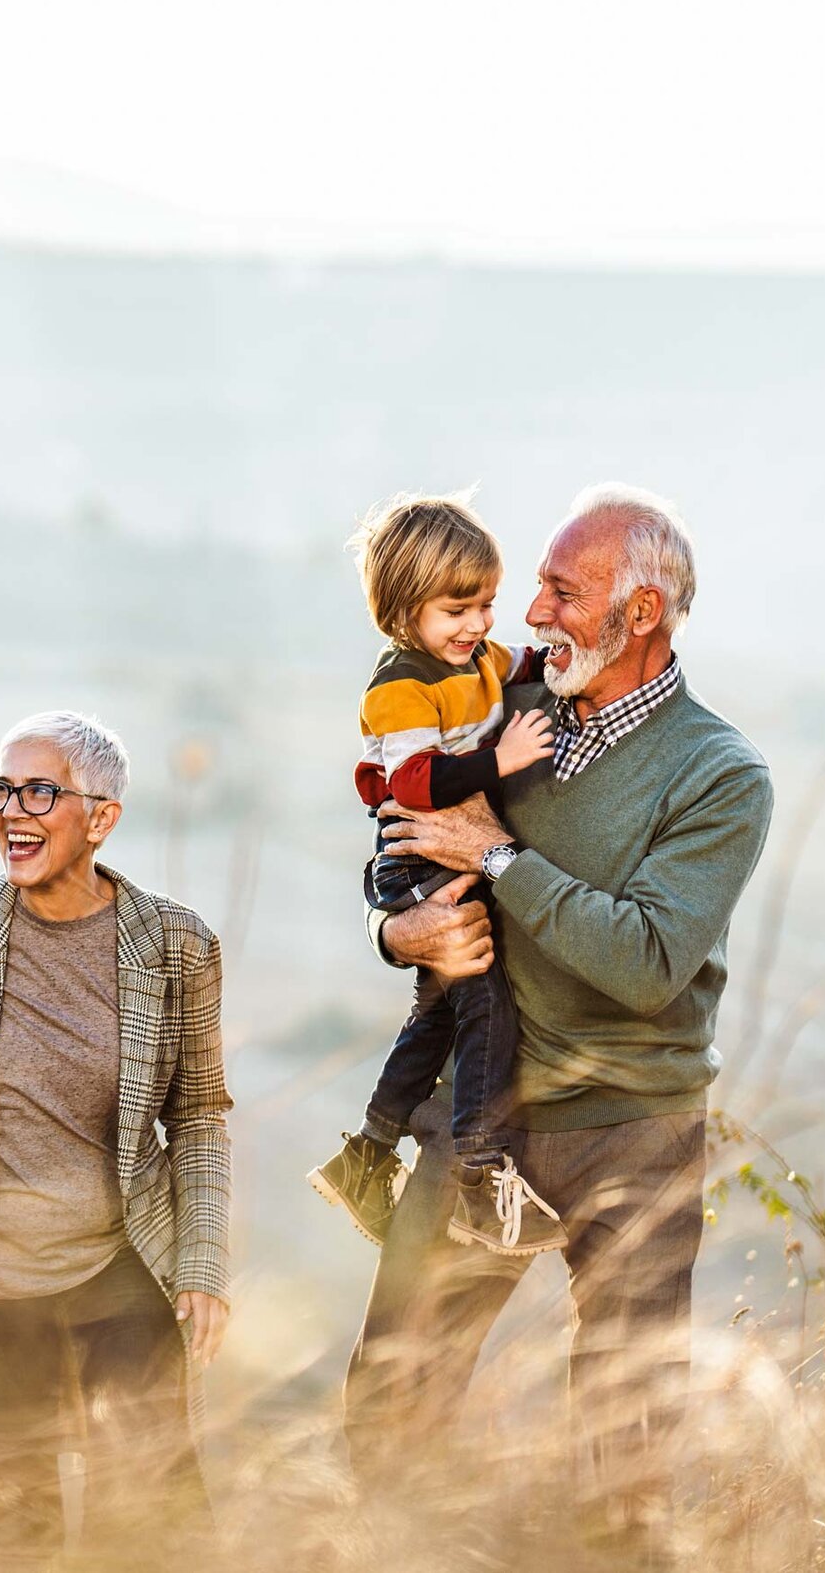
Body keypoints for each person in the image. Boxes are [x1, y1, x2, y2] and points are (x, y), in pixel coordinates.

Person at [343, 483, 774, 1541]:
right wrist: (396, 933)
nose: (530, 613)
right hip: (483, 1106)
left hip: (634, 1128)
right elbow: (405, 832)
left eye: (559, 590)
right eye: (534, 584)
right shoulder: (513, 703)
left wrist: (498, 855)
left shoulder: (721, 775)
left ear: (641, 616)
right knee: (390, 1408)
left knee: (623, 1455)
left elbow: (647, 961)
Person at [0, 710, 231, 1565]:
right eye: (2, 789)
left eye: (40, 791)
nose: (13, 810)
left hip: (118, 1274)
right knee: (18, 1534)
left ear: (101, 817)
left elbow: (197, 1112)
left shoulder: (177, 944)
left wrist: (201, 1261)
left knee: (157, 1520)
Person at [310, 490, 565, 1257]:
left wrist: (555, 660)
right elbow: (417, 782)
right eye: (457, 610)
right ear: (404, 607)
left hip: (443, 853)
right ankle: (482, 1180)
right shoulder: (399, 687)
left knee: (439, 1016)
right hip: (417, 859)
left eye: (486, 604)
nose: (479, 625)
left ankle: (368, 1155)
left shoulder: (476, 658)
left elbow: (521, 662)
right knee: (488, 1007)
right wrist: (503, 760)